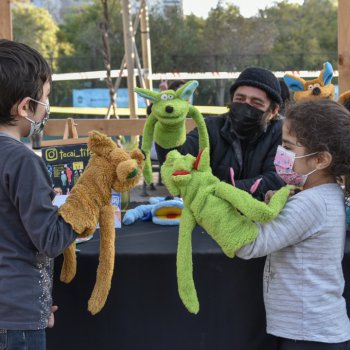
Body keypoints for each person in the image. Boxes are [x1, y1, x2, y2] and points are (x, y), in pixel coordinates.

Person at [235, 99, 350, 350]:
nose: (281, 154)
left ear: (320, 159)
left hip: (309, 336)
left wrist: (212, 206)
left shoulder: (310, 203)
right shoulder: (325, 193)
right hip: (313, 329)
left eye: (288, 146)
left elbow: (249, 244)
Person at [0, 39, 83, 349]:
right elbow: (50, 240)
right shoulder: (22, 160)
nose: (46, 108)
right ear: (25, 107)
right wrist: (84, 201)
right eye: (45, 99)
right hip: (14, 321)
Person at [156, 67, 285, 201]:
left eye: (256, 103)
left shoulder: (283, 134)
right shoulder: (212, 127)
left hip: (261, 217)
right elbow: (178, 159)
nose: (246, 107)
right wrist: (167, 130)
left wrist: (219, 191)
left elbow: (277, 178)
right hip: (212, 216)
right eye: (240, 99)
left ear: (274, 111)